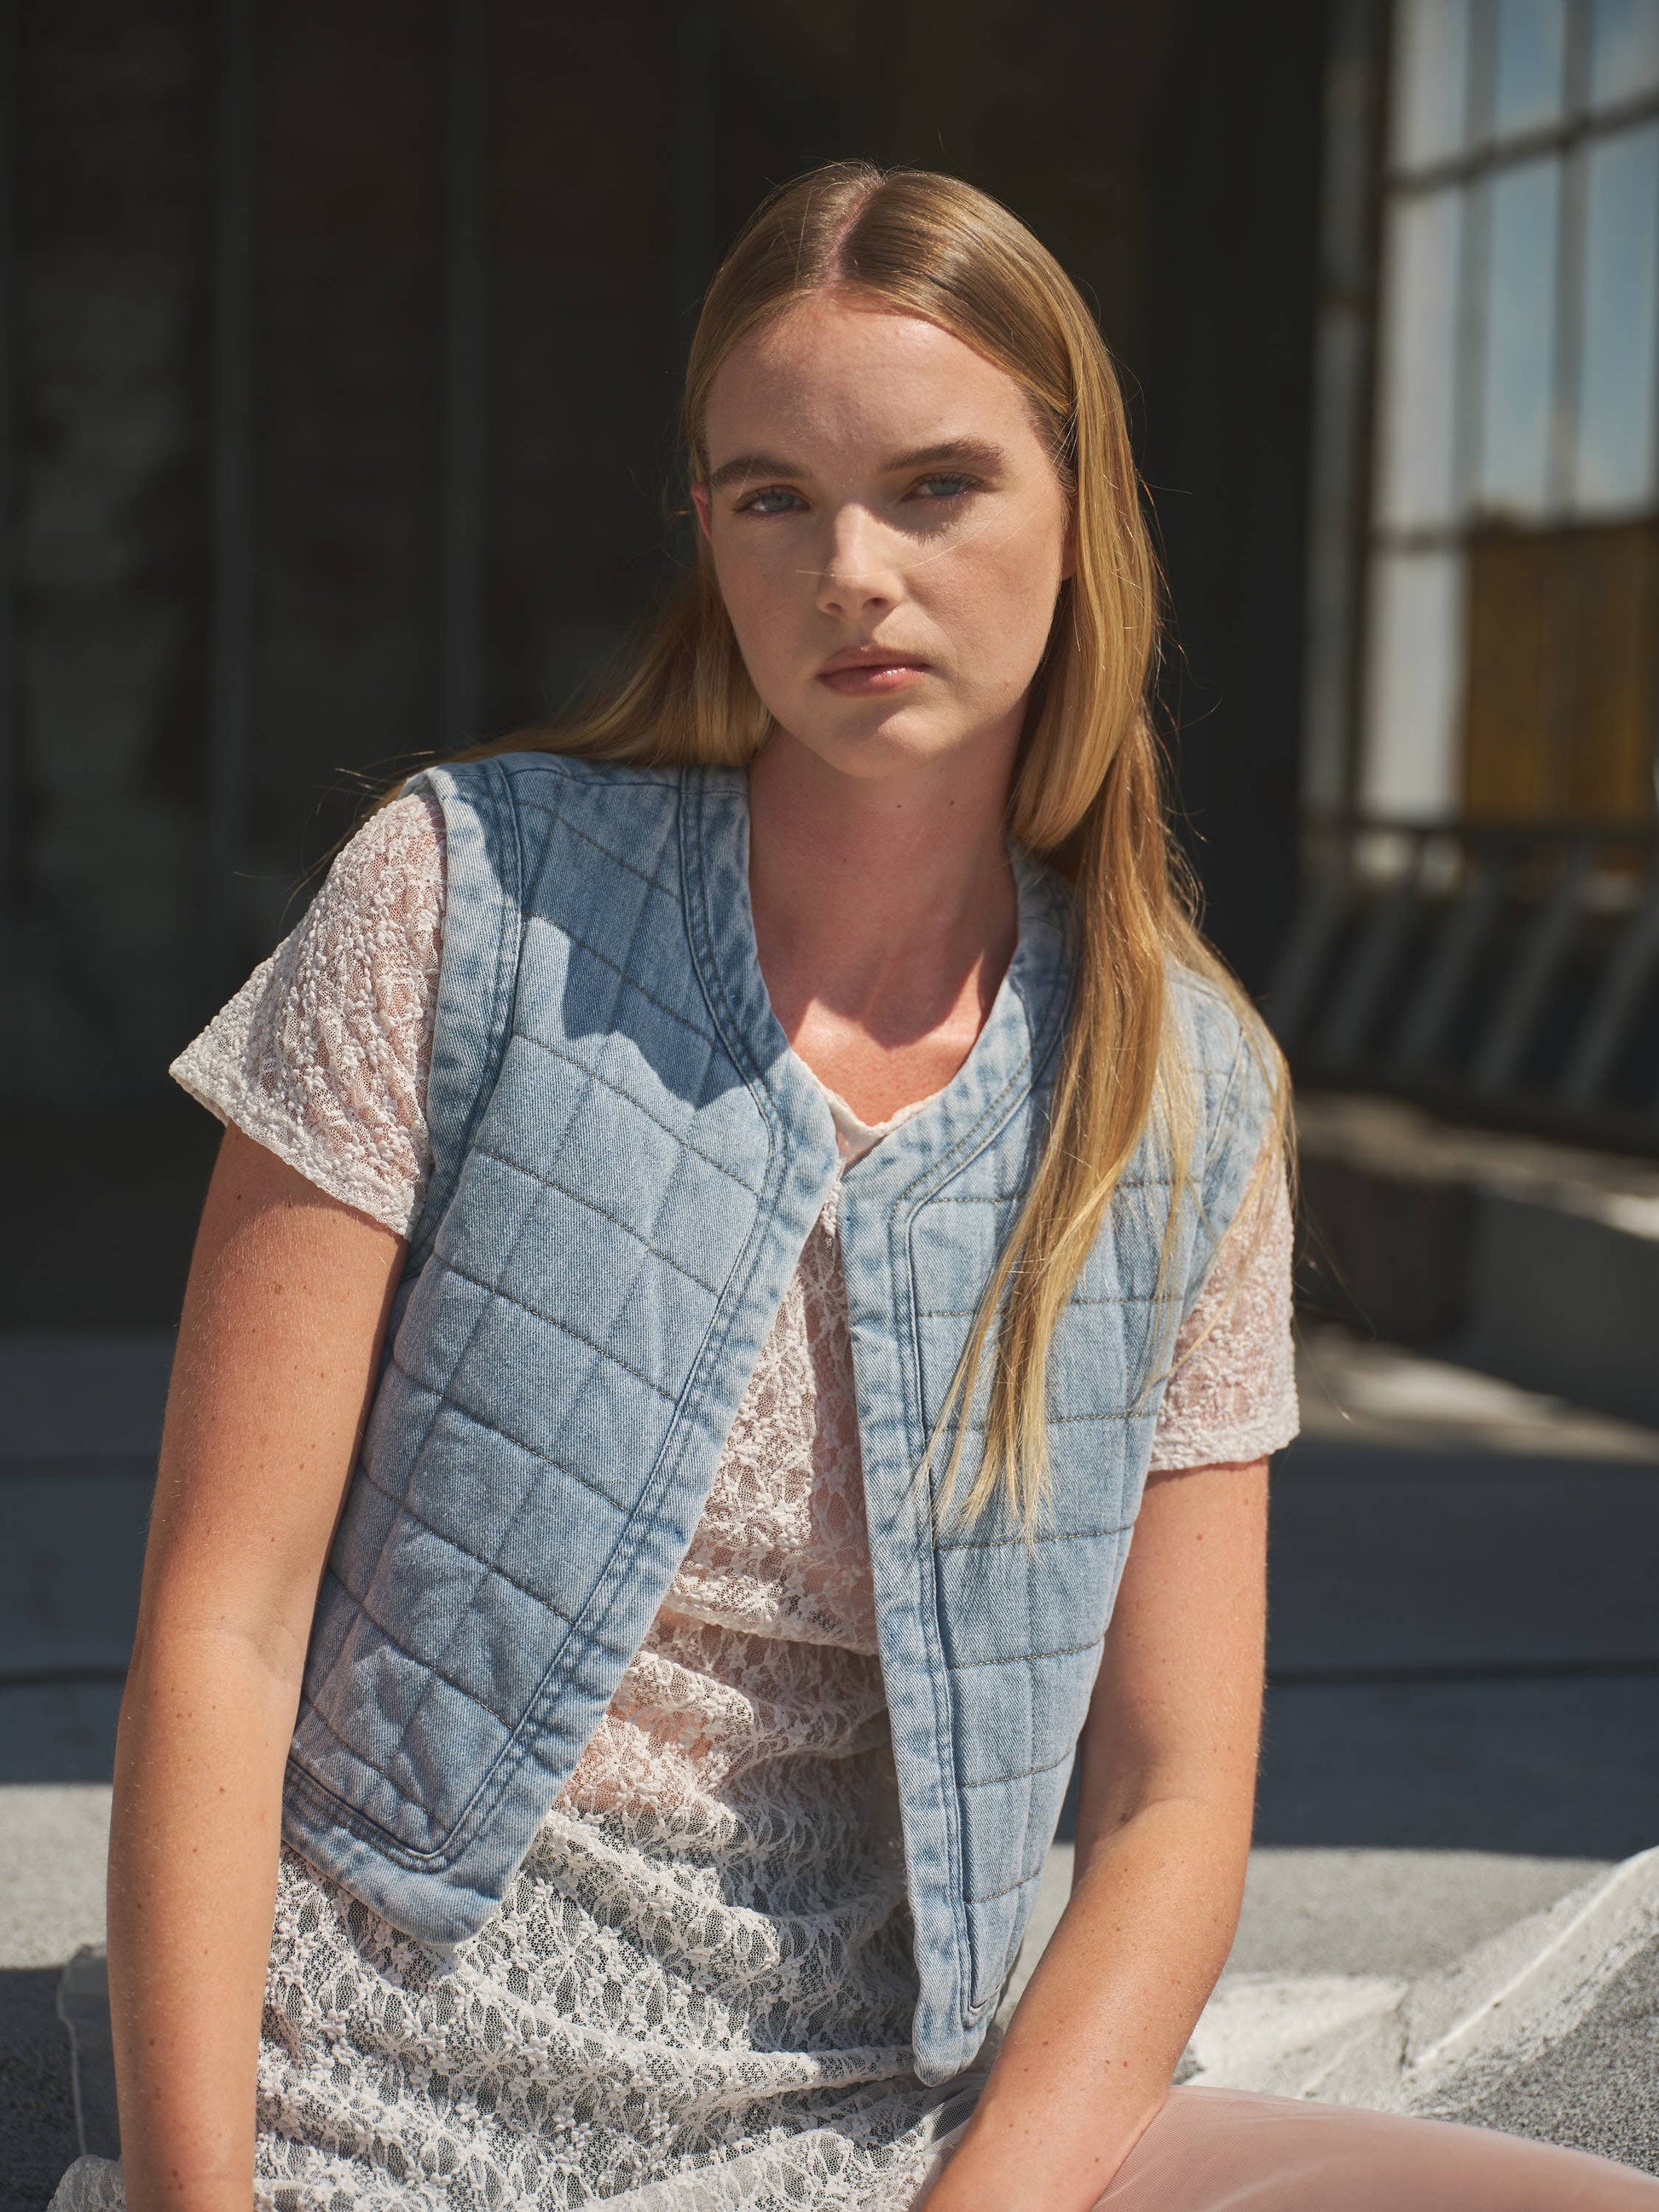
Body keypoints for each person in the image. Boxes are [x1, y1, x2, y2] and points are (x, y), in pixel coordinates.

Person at [51, 162, 1658, 2212]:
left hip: (881, 2127)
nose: (850, 574)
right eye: (773, 499)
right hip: (370, 2097)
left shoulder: (1179, 1095)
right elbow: (222, 1618)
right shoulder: (458, 898)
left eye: (934, 488)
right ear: (706, 532)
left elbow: (1168, 1802)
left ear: (1081, 513)